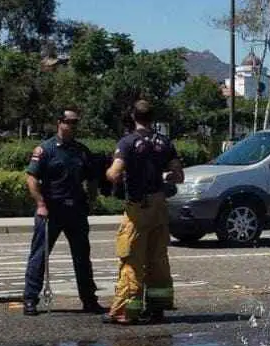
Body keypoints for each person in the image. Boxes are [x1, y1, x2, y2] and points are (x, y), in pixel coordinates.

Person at [104, 100, 184, 324]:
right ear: (152, 118)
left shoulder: (128, 142)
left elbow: (115, 173)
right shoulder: (164, 142)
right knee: (158, 257)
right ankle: (157, 308)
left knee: (131, 258)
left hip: (138, 208)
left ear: (133, 116)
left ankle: (126, 311)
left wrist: (109, 171)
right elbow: (178, 175)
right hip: (159, 204)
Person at [21, 108, 106, 316]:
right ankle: (30, 299)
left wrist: (92, 200)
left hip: (75, 210)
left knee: (82, 257)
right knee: (40, 256)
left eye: (75, 122)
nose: (72, 126)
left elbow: (92, 178)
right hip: (51, 210)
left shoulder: (81, 151)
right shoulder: (46, 149)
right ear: (59, 122)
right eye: (69, 122)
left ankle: (89, 299)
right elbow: (31, 178)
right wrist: (40, 203)